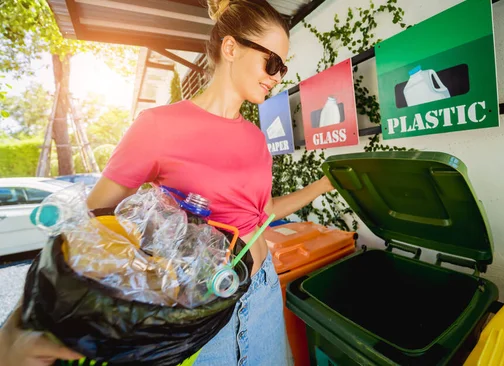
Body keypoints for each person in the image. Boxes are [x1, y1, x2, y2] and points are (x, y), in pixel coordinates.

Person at [0, 0, 334, 365]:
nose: (277, 76)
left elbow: (263, 214)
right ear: (231, 47)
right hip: (197, 314)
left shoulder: (256, 138)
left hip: (264, 290)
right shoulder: (158, 125)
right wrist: (21, 324)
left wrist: (324, 184)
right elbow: (93, 223)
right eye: (272, 62)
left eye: (282, 68)